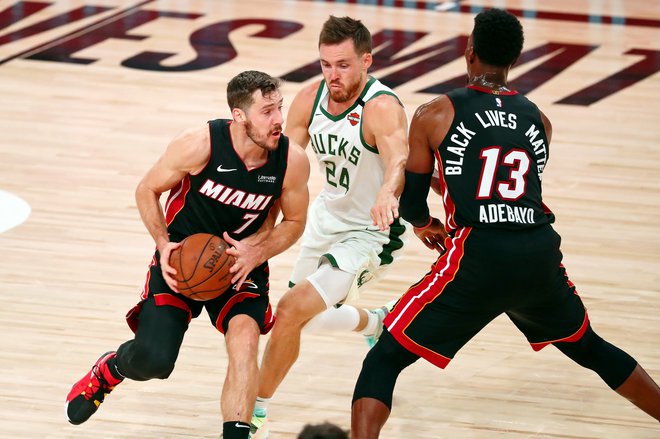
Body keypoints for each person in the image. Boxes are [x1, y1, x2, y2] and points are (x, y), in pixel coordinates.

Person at [351, 9, 660, 438]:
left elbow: (413, 204)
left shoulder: (435, 113)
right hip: (536, 251)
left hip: (479, 255)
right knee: (588, 346)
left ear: (469, 51)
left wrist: (425, 225)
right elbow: (506, 187)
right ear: (514, 60)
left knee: (384, 358)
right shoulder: (539, 119)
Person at [64, 70, 310, 439]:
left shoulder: (291, 160)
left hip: (242, 264)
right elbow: (147, 189)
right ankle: (110, 370)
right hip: (182, 258)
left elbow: (294, 221)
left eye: (279, 108)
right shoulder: (199, 144)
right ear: (239, 116)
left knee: (245, 345)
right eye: (267, 111)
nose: (278, 120)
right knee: (155, 362)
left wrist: (257, 251)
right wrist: (163, 245)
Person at [247, 15, 410, 437]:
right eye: (325, 64)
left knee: (288, 312)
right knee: (302, 320)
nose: (332, 74)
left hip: (370, 231)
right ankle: (379, 322)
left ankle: (254, 413)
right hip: (325, 219)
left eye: (342, 64)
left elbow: (399, 158)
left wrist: (388, 191)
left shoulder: (381, 107)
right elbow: (281, 165)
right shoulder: (308, 100)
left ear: (366, 61)